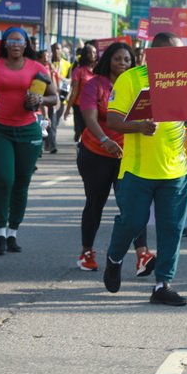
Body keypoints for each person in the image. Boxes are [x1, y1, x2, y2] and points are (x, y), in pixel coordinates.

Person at [104, 32, 187, 306]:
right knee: (132, 222)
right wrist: (138, 126)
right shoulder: (131, 79)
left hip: (175, 173)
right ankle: (114, 258)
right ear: (154, 54)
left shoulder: (185, 81)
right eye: (172, 52)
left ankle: (162, 284)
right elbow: (112, 119)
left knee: (172, 228)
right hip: (137, 171)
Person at [75, 42, 155, 276]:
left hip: (127, 156)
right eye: (118, 59)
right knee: (95, 203)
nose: (122, 63)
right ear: (108, 59)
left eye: (127, 60)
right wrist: (103, 140)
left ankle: (142, 254)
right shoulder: (94, 85)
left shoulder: (136, 85)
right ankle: (87, 252)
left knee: (133, 205)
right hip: (95, 153)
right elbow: (88, 115)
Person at [0, 27, 58, 255]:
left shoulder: (37, 68)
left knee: (22, 182)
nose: (15, 44)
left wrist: (40, 98)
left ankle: (13, 232)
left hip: (28, 131)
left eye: (19, 41)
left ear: (26, 45)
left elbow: (54, 98)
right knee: (4, 179)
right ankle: (0, 233)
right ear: (4, 43)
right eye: (11, 40)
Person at [64, 42, 98, 143]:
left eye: (95, 53)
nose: (94, 55)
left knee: (93, 131)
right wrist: (68, 109)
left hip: (95, 107)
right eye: (91, 53)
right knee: (84, 131)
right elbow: (74, 91)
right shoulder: (79, 71)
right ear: (85, 55)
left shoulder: (98, 70)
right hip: (80, 107)